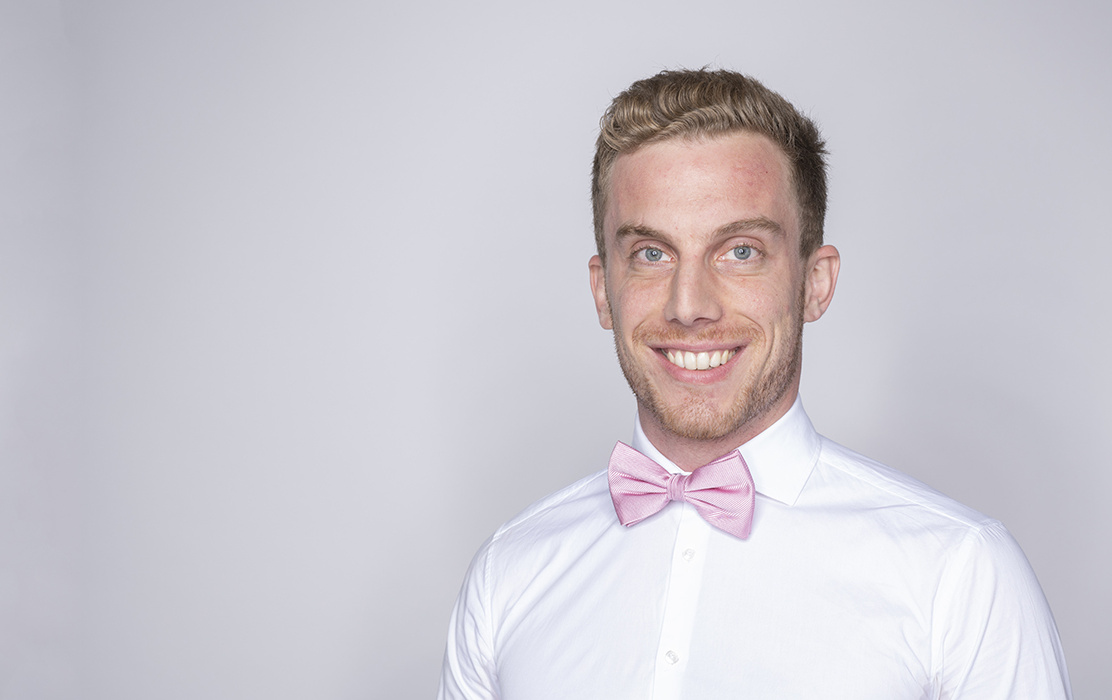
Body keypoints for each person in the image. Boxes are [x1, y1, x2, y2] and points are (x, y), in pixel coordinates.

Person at [439, 69, 1069, 700]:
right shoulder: (507, 575)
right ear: (604, 291)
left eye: (740, 251)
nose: (689, 306)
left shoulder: (958, 577)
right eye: (652, 254)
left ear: (814, 283)